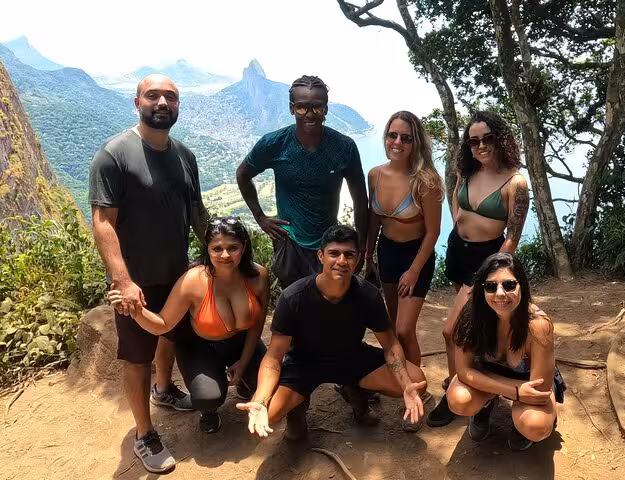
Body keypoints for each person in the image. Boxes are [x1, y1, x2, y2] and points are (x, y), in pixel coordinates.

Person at [89, 74, 209, 473]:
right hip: (135, 280)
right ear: (136, 101)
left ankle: (164, 389)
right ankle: (144, 434)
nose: (162, 102)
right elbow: (103, 222)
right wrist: (123, 282)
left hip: (176, 274)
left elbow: (196, 211)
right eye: (153, 95)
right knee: (137, 357)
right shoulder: (115, 155)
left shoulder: (184, 156)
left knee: (169, 336)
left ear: (178, 106)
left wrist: (218, 256)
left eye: (171, 97)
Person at [236, 225, 427, 440]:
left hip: (352, 357)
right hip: (304, 363)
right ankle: (297, 410)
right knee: (268, 413)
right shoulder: (294, 297)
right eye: (334, 253)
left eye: (349, 255)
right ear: (321, 256)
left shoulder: (368, 295)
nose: (342, 261)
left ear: (357, 259)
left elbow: (390, 344)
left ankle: (355, 392)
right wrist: (261, 400)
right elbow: (273, 357)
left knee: (416, 379)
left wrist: (405, 385)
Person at [107, 217, 268, 435]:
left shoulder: (258, 277)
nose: (225, 255)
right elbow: (162, 325)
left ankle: (243, 381)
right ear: (207, 249)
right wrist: (136, 311)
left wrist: (244, 361)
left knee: (270, 382)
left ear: (244, 247)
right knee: (207, 397)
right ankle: (208, 411)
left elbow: (257, 326)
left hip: (241, 344)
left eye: (233, 247)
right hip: (200, 347)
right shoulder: (194, 281)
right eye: (217, 248)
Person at [428, 111, 529, 427]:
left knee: (451, 331)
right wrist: (460, 226)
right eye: (473, 141)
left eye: (487, 138)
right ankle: (471, 384)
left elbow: (512, 236)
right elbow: (457, 206)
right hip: (460, 253)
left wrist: (487, 275)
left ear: (500, 138)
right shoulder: (465, 171)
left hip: (488, 260)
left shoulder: (515, 182)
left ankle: (459, 391)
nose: (480, 146)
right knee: (475, 327)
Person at [236, 75, 368, 289]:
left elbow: (360, 199)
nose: (309, 114)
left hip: (329, 245)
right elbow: (243, 175)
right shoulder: (274, 144)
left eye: (317, 107)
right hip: (289, 243)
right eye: (301, 107)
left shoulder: (344, 147)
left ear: (325, 109)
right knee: (293, 302)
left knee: (328, 305)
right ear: (291, 108)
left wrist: (360, 245)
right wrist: (260, 217)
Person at [446, 253, 565, 450]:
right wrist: (516, 391)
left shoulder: (538, 325)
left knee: (535, 425)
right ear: (482, 290)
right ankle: (483, 407)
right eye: (491, 286)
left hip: (530, 380)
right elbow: (463, 371)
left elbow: (539, 390)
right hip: (517, 384)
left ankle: (522, 426)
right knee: (459, 400)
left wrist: (521, 393)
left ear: (522, 286)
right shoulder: (472, 317)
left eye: (509, 285)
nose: (500, 293)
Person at [365, 111, 443, 367]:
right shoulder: (375, 175)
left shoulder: (425, 181)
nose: (397, 142)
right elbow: (375, 218)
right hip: (387, 252)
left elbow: (433, 232)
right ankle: (404, 381)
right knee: (393, 327)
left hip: (415, 256)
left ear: (415, 142)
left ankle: (417, 385)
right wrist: (368, 255)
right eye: (392, 135)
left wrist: (413, 271)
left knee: (405, 329)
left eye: (406, 138)